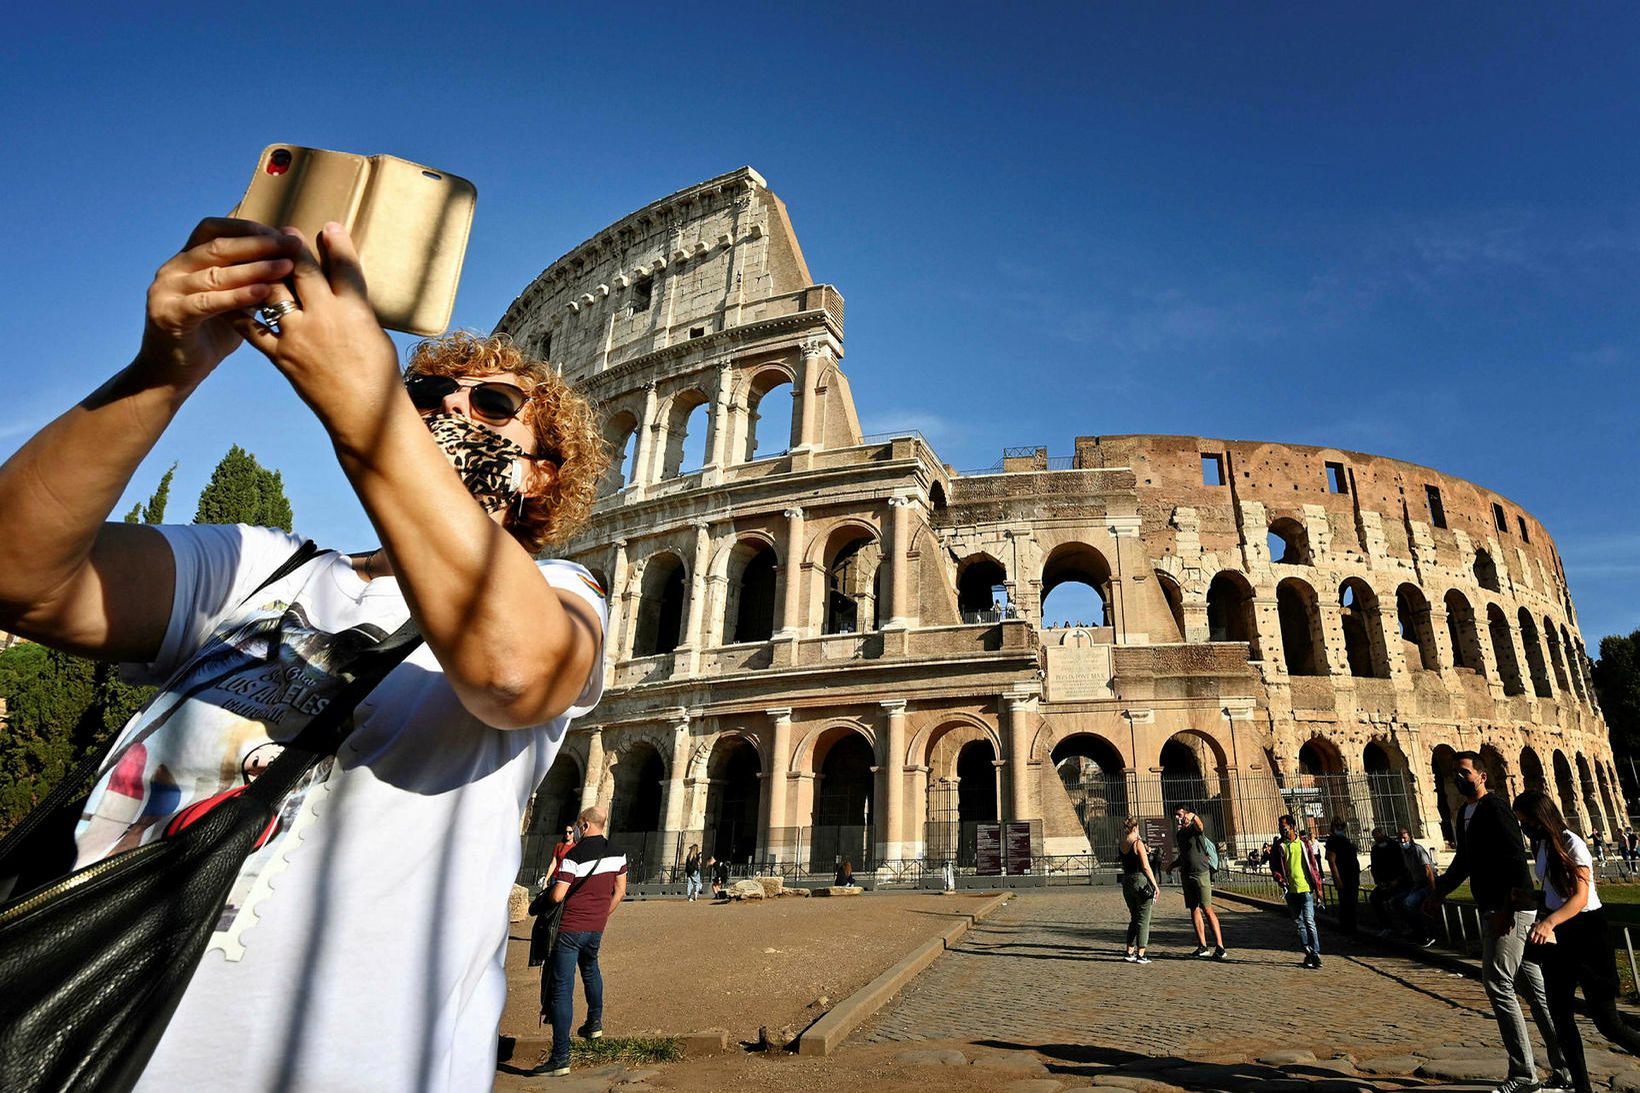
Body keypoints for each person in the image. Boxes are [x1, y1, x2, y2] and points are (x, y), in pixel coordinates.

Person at [0, 219, 610, 1090]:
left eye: (493, 405)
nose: (445, 409)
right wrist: (164, 367)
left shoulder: (563, 591)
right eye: (426, 391)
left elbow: (514, 668)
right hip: (83, 1042)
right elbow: (19, 574)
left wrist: (369, 411)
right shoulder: (260, 564)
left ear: (545, 473)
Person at [1430, 753, 1568, 1093]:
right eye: (1455, 773)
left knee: (1497, 983)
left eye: (1464, 772)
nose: (1459, 778)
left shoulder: (1496, 808)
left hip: (1509, 911)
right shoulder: (1464, 813)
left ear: (1482, 775)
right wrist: (1439, 893)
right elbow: (1464, 860)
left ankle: (1524, 1075)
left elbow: (1515, 861)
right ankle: (1567, 1068)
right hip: (1494, 907)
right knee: (1535, 994)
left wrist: (1509, 909)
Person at [1514, 791, 1640, 1093]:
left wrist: (1549, 921)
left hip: (1587, 931)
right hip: (1560, 934)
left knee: (1607, 1021)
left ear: (1541, 817)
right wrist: (1530, 899)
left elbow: (1580, 897)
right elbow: (1554, 893)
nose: (1524, 827)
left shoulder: (1572, 843)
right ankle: (1582, 1087)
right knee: (1561, 1016)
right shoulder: (1542, 844)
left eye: (1526, 820)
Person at [535, 806, 628, 1077]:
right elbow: (620, 891)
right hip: (595, 927)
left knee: (562, 988)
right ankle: (594, 1023)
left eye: (578, 825)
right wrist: (602, 915)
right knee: (591, 970)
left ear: (584, 825)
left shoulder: (574, 855)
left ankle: (561, 1057)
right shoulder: (617, 852)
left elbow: (557, 896)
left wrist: (550, 893)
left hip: (570, 927)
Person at [1165, 806, 1227, 959]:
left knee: (1207, 909)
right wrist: (1172, 865)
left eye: (1180, 815)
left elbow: (1201, 826)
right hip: (1187, 874)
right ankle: (1202, 946)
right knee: (1194, 909)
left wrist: (1193, 816)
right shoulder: (1180, 834)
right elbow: (1184, 855)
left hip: (1201, 873)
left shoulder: (1195, 829)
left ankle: (1220, 947)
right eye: (1175, 816)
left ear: (1186, 815)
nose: (1177, 818)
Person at [1270, 814, 1325, 968]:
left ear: (1293, 827)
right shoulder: (1279, 846)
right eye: (1281, 828)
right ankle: (1308, 952)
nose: (1282, 831)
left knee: (1309, 921)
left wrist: (1318, 887)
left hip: (1306, 888)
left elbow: (1313, 866)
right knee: (1299, 924)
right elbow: (1274, 866)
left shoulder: (1303, 844)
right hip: (1290, 890)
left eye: (1285, 828)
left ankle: (1315, 953)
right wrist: (1280, 878)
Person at [1118, 818, 1161, 964]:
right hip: (1140, 880)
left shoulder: (1123, 844)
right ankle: (1141, 954)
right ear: (1135, 827)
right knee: (1143, 919)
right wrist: (1155, 885)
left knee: (1134, 917)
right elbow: (1146, 866)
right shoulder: (1138, 843)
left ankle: (1129, 951)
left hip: (1126, 881)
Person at [1394, 826, 1439, 947]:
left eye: (1404, 838)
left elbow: (1428, 870)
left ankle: (1424, 934)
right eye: (1400, 839)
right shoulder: (1404, 852)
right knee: (1396, 901)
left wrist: (1433, 891)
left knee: (1408, 903)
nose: (1402, 841)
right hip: (1417, 884)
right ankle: (1412, 929)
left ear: (1410, 837)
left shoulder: (1417, 849)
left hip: (1426, 883)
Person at [1324, 818, 1362, 933]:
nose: (1340, 829)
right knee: (1346, 904)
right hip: (1343, 876)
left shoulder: (1344, 839)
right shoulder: (1332, 840)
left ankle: (1351, 927)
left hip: (1352, 875)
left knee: (1352, 903)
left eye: (1341, 827)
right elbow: (1331, 860)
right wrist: (1337, 879)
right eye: (1338, 827)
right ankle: (1347, 928)